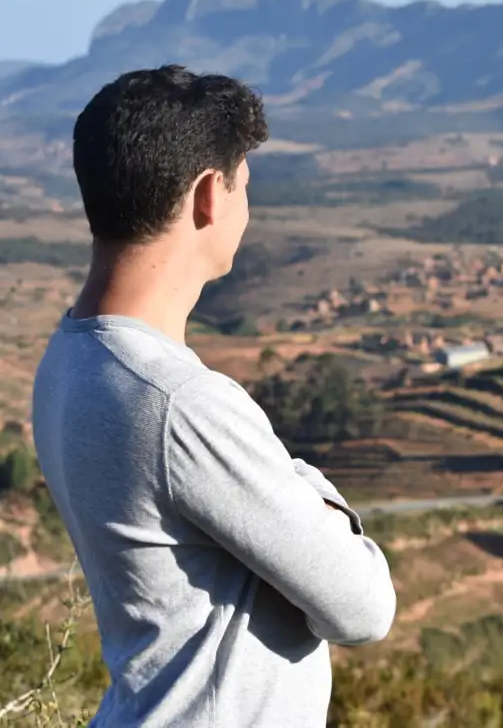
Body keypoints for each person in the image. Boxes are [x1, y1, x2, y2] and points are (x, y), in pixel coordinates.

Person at [29, 65, 396, 727]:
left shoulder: (69, 357)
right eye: (244, 187)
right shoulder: (179, 404)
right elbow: (364, 608)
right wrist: (298, 474)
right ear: (207, 198)